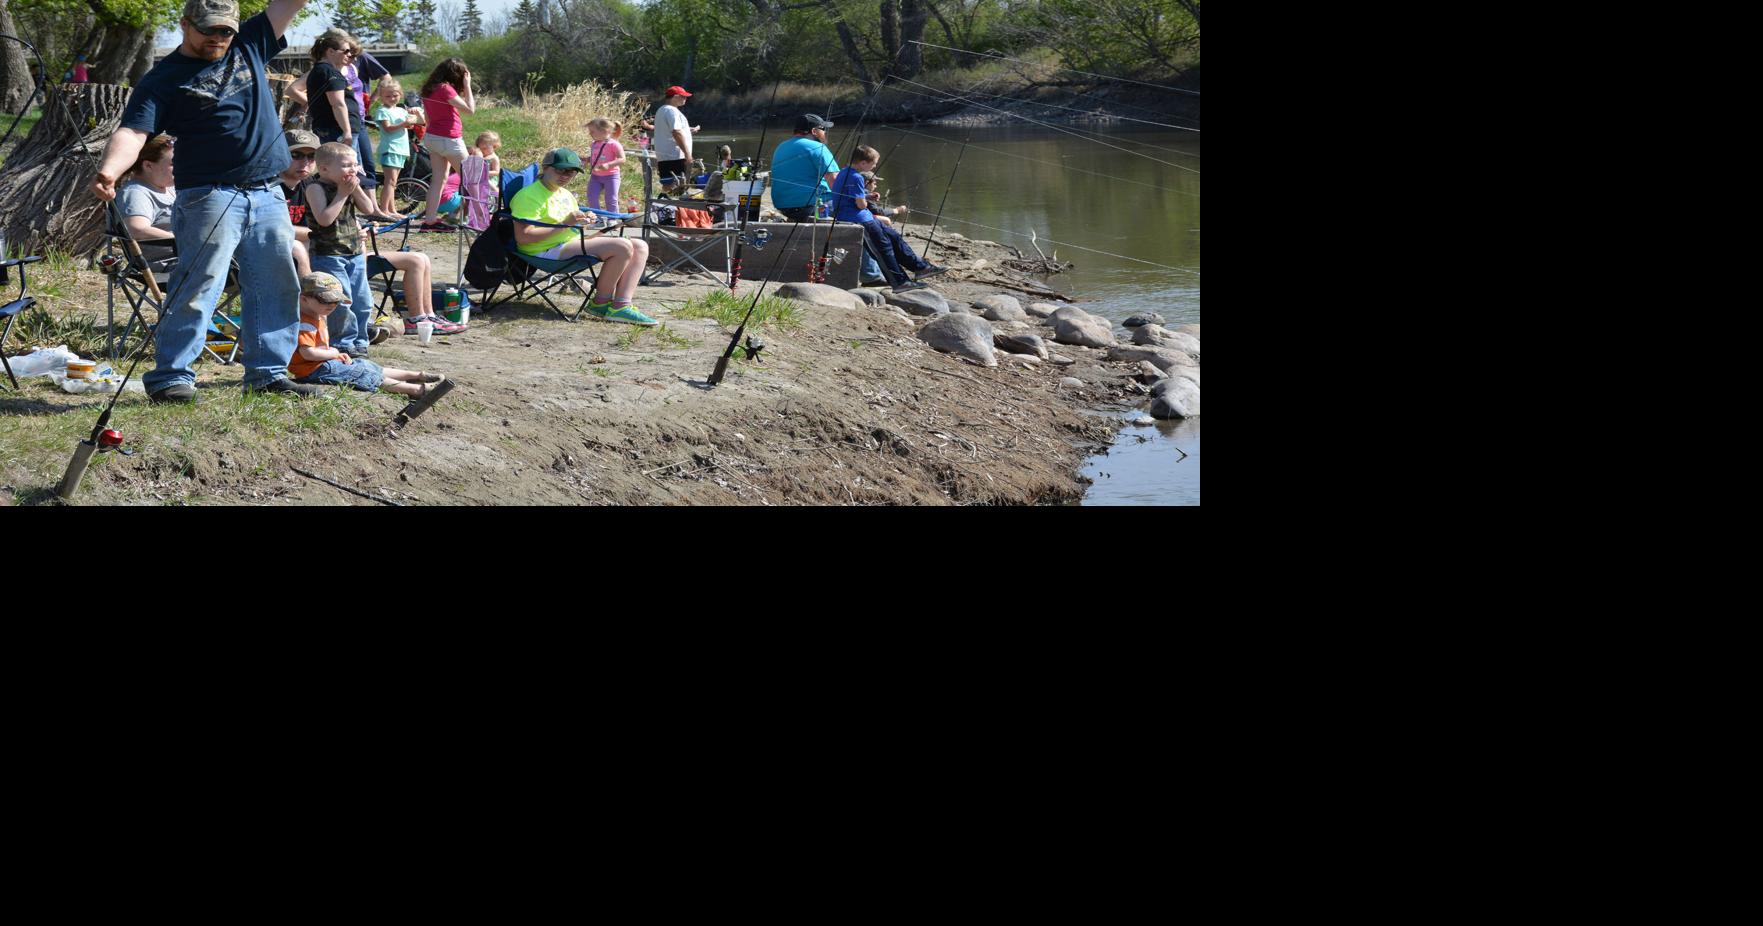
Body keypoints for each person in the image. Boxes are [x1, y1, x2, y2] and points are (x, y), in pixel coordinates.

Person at [91, 0, 318, 403]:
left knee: (277, 284)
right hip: (209, 196)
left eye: (225, 31)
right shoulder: (162, 79)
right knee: (199, 284)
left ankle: (267, 373)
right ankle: (170, 377)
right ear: (185, 25)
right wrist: (110, 170)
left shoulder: (248, 43)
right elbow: (133, 132)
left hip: (267, 191)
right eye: (208, 30)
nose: (218, 38)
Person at [304, 142, 458, 355]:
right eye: (346, 165)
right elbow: (323, 219)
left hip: (355, 251)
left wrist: (355, 188)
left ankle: (360, 341)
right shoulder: (315, 187)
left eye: (354, 164)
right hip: (329, 254)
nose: (352, 169)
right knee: (342, 301)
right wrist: (341, 194)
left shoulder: (349, 186)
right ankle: (343, 343)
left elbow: (368, 209)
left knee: (363, 300)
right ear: (324, 169)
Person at [510, 147, 655, 326]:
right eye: (560, 170)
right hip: (542, 250)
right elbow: (523, 238)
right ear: (546, 167)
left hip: (568, 242)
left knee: (640, 245)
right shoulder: (528, 196)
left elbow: (569, 224)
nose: (565, 176)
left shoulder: (564, 193)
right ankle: (600, 303)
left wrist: (585, 220)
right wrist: (566, 224)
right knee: (622, 246)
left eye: (571, 173)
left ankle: (622, 305)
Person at [290, 271, 447, 398]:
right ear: (304, 299)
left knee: (366, 365)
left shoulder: (318, 315)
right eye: (326, 301)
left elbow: (317, 348)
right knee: (363, 373)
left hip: (323, 364)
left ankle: (418, 375)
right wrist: (333, 352)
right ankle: (417, 391)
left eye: (336, 301)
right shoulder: (305, 323)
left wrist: (334, 355)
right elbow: (308, 353)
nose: (332, 305)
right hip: (311, 371)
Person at [832, 145, 946, 293]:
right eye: (874, 163)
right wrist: (864, 200)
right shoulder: (856, 177)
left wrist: (866, 196)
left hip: (864, 218)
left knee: (893, 237)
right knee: (883, 249)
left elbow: (850, 196)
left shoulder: (844, 173)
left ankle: (921, 267)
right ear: (863, 163)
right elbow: (860, 205)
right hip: (859, 219)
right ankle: (900, 282)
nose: (875, 166)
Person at [300, 28, 374, 188]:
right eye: (346, 51)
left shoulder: (324, 71)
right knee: (347, 172)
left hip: (335, 127)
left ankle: (371, 208)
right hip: (337, 130)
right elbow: (338, 104)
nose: (350, 55)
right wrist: (346, 131)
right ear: (331, 51)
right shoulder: (329, 72)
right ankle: (344, 206)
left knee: (356, 170)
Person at [418, 57, 476, 230]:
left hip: (432, 138)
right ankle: (476, 219)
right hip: (449, 139)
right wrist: (467, 85)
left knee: (438, 180)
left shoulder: (429, 89)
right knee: (472, 179)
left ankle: (429, 220)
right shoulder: (445, 88)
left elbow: (428, 118)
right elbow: (470, 110)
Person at [770, 113, 837, 221]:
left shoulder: (781, 146)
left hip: (784, 207)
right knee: (858, 211)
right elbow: (834, 181)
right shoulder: (818, 147)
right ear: (814, 131)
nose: (825, 132)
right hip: (812, 206)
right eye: (823, 129)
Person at [116, 134, 176, 249]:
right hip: (171, 263)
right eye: (173, 164)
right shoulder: (137, 193)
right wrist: (183, 242)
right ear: (148, 165)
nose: (180, 167)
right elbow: (137, 229)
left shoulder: (169, 188)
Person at [276, 128, 318, 276]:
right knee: (298, 247)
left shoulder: (311, 184)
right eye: (296, 155)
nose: (305, 162)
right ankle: (308, 297)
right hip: (266, 249)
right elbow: (277, 229)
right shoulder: (267, 185)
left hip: (300, 244)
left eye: (312, 156)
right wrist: (322, 233)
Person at [370, 77, 412, 215]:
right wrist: (403, 124)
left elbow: (416, 123)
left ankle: (391, 209)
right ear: (381, 96)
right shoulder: (382, 111)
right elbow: (387, 128)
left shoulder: (401, 110)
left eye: (395, 95)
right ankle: (383, 210)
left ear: (400, 94)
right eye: (388, 96)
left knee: (393, 182)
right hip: (390, 149)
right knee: (390, 181)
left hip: (401, 150)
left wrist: (417, 114)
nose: (392, 98)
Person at [652, 85, 698, 187]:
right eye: (683, 96)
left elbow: (669, 131)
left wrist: (688, 131)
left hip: (664, 157)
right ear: (675, 97)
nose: (686, 99)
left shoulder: (661, 110)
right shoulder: (672, 111)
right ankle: (674, 202)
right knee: (678, 186)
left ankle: (665, 201)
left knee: (668, 186)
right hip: (675, 157)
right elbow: (676, 132)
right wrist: (687, 154)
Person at [583, 117, 623, 212]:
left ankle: (613, 219)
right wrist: (587, 160)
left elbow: (622, 159)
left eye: (592, 131)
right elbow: (596, 157)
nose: (590, 134)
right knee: (591, 196)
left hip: (611, 176)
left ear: (605, 131)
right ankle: (597, 218)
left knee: (611, 199)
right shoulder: (594, 144)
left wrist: (609, 165)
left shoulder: (614, 144)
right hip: (595, 176)